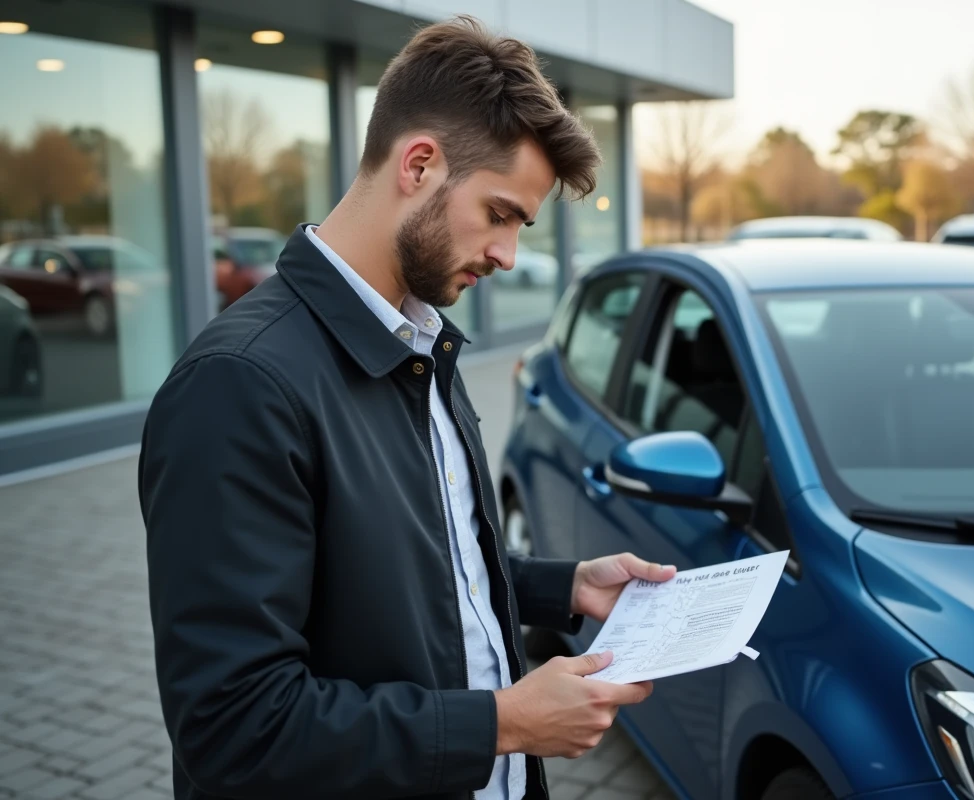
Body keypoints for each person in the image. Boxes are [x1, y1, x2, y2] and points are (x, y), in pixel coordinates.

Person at [138, 15, 675, 800]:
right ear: (419, 164)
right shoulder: (238, 386)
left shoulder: (421, 340)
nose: (508, 255)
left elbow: (412, 565)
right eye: (500, 214)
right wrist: (500, 725)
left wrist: (564, 586)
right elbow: (233, 727)